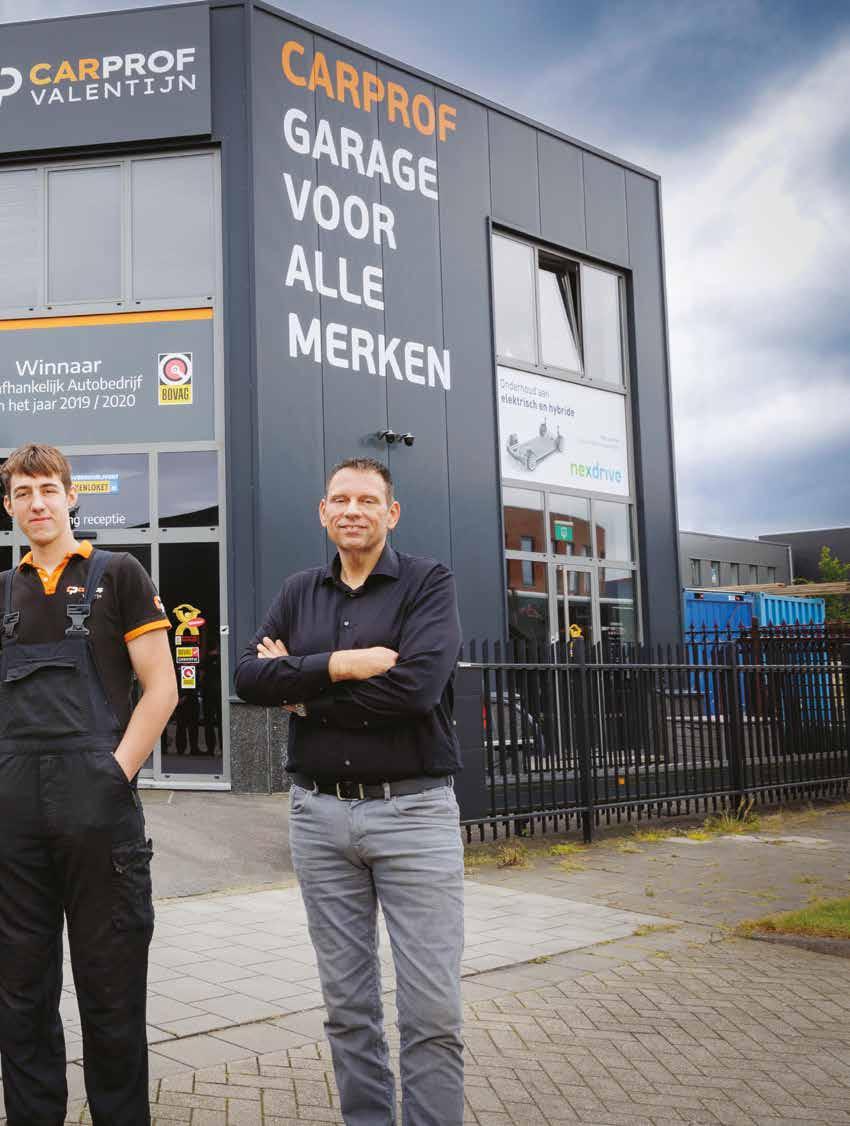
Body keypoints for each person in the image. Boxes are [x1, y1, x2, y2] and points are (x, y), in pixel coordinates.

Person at [235, 457, 464, 1126]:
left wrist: (305, 693)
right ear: (323, 512)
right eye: (340, 499)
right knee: (347, 1006)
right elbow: (249, 678)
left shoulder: (427, 583)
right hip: (318, 815)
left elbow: (416, 690)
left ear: (392, 513)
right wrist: (342, 664)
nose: (352, 510)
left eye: (367, 500)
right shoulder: (298, 591)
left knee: (431, 1011)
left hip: (413, 812)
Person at [0, 444, 177, 1126]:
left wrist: (113, 773)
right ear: (9, 506)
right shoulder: (4, 592)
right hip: (14, 822)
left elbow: (161, 689)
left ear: (71, 496)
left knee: (111, 995)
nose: (37, 503)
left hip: (100, 817)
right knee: (19, 998)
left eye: (48, 489)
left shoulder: (119, 574)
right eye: (23, 493)